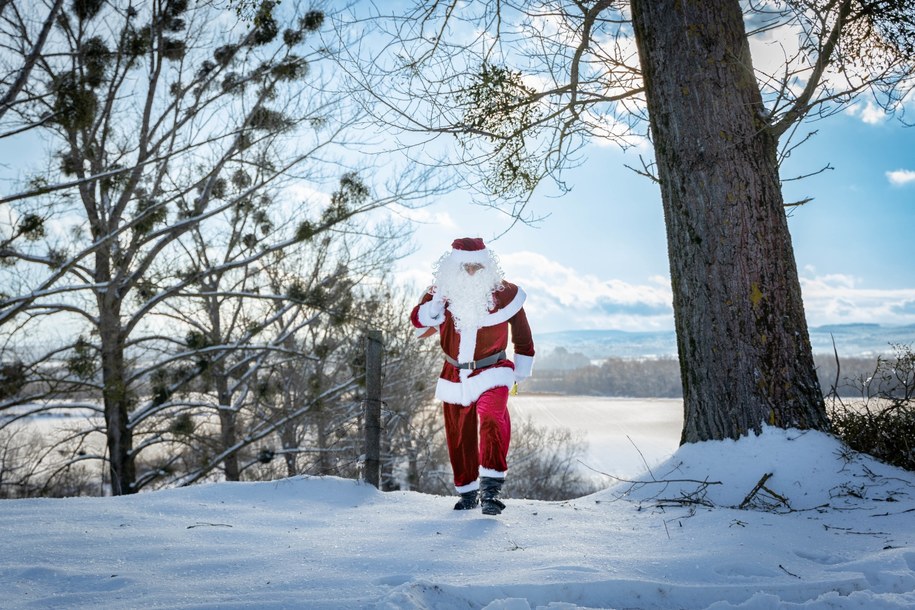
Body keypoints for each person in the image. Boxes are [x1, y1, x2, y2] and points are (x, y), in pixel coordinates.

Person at [410, 237, 535, 515]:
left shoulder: (506, 294)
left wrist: (521, 370)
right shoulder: (438, 294)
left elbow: (524, 337)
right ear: (452, 268)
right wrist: (436, 305)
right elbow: (418, 325)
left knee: (492, 417)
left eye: (477, 266)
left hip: (494, 370)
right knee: (458, 434)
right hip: (453, 373)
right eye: (464, 267)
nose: (470, 272)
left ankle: (491, 490)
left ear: (487, 266)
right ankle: (467, 493)